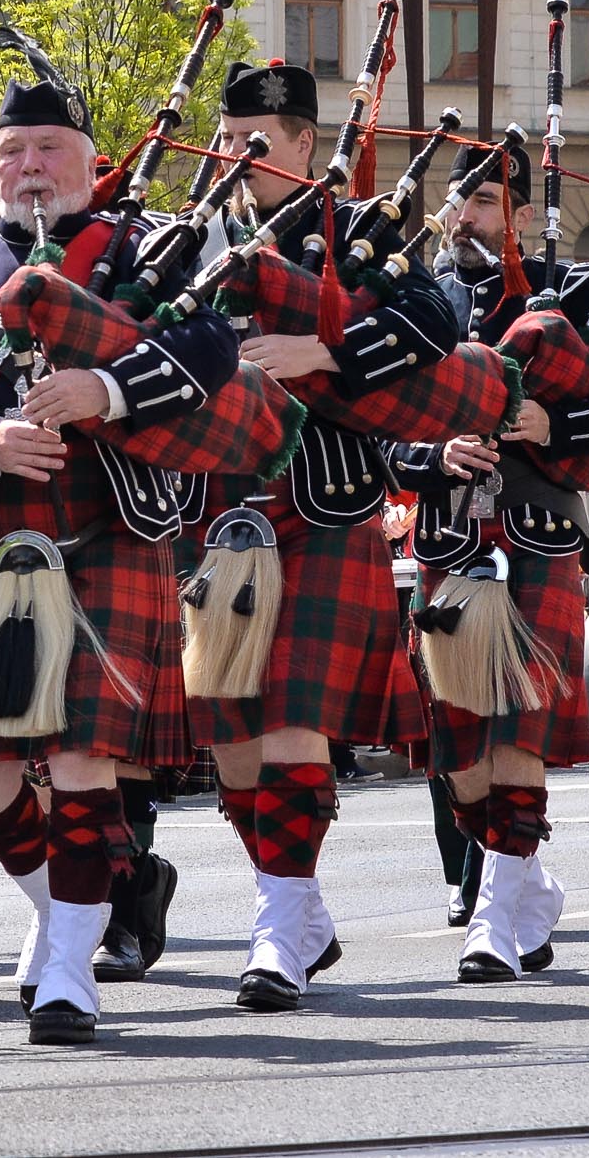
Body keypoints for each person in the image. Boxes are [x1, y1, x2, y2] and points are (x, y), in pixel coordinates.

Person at [0, 76, 278, 1045]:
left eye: (48, 150)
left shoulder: (142, 250)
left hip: (108, 524)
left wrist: (105, 388)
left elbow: (207, 347)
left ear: (89, 163)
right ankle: (67, 907)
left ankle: (66, 968)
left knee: (80, 756)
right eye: (11, 153)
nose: (29, 168)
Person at [187, 61, 472, 1013]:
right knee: (232, 739)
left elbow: (436, 319)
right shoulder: (195, 237)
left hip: (323, 505)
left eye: (256, 142)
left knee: (291, 716)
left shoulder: (356, 232)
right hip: (221, 506)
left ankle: (277, 929)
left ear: (305, 146)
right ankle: (298, 904)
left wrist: (328, 349)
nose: (237, 156)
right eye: (227, 139)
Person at [387, 136, 589, 981]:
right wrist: (431, 456)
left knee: (516, 730)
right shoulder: (420, 298)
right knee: (461, 758)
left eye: (483, 204)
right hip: (448, 541)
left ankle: (492, 919)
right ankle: (530, 888)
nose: (464, 219)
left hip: (537, 537)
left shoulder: (565, 296)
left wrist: (555, 426)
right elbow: (372, 423)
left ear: (516, 215)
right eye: (458, 203)